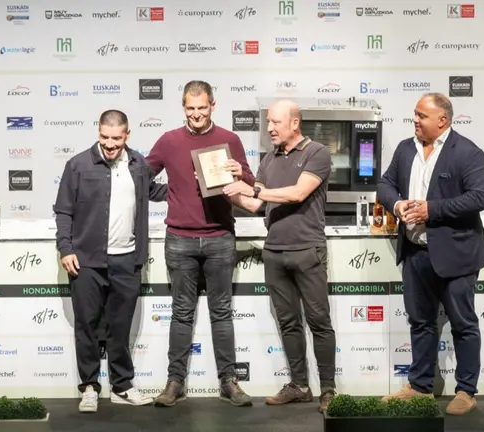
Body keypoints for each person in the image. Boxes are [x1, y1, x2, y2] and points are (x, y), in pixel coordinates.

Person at [376, 93, 484, 415]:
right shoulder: (405, 149)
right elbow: (385, 184)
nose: (415, 120)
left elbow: (481, 197)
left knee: (463, 325)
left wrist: (432, 210)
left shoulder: (467, 152)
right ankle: (420, 387)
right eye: (414, 114)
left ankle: (466, 391)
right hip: (415, 253)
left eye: (421, 116)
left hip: (457, 255)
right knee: (420, 322)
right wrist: (397, 204)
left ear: (442, 120)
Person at [223, 99, 337, 413]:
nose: (270, 128)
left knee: (319, 321)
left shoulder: (317, 153)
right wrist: (224, 187)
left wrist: (252, 189)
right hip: (274, 252)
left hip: (307, 250)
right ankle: (299, 386)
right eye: (268, 122)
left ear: (294, 123)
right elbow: (254, 204)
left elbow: (297, 193)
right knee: (288, 323)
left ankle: (328, 390)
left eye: (276, 122)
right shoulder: (268, 159)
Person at [146, 80, 255, 408]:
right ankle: (175, 382)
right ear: (183, 107)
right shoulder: (169, 141)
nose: (196, 114)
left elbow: (251, 184)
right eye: (191, 108)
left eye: (202, 108)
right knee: (181, 312)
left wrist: (239, 174)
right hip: (179, 239)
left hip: (220, 237)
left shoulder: (230, 140)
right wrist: (171, 194)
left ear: (213, 106)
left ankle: (229, 382)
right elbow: (141, 178)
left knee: (221, 312)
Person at [54, 109, 168, 413]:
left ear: (127, 135)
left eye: (116, 138)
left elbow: (154, 191)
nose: (110, 144)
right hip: (86, 262)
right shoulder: (77, 165)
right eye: (104, 137)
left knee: (120, 327)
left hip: (127, 261)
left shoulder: (138, 164)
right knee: (87, 326)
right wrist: (65, 248)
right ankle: (89, 387)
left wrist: (192, 184)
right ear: (98, 132)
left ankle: (122, 386)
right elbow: (63, 210)